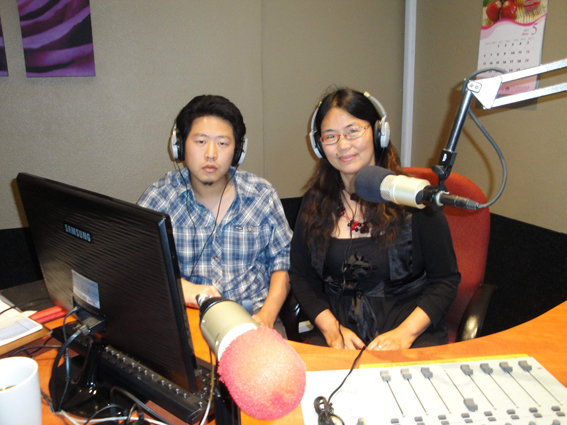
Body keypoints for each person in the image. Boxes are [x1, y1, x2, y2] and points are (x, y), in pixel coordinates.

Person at [289, 88, 460, 350]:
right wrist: (331, 329)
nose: (343, 145)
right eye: (330, 136)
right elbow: (301, 276)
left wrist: (404, 335)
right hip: (339, 334)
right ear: (319, 145)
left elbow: (445, 280)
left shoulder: (413, 198)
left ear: (379, 133)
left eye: (353, 131)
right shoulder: (315, 203)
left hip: (410, 333)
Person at [138, 95, 292, 333]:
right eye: (201, 141)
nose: (211, 154)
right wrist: (183, 288)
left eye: (222, 143)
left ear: (238, 151)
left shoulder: (261, 194)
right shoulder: (161, 198)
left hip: (254, 320)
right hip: (186, 325)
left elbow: (284, 261)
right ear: (180, 145)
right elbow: (138, 267)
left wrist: (267, 316)